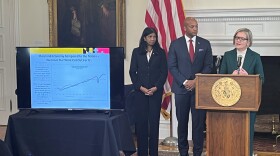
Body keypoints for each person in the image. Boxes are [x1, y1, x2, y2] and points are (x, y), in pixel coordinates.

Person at [168, 17, 213, 156]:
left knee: (198, 125)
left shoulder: (205, 44)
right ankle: (183, 152)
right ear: (185, 28)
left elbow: (209, 66)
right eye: (192, 26)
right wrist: (185, 81)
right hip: (181, 90)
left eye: (196, 26)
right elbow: (172, 66)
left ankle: (197, 152)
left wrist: (195, 81)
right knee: (182, 123)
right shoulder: (175, 44)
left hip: (199, 90)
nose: (195, 29)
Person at [219, 28, 264, 156]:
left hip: (248, 102)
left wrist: (249, 77)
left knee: (247, 133)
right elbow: (220, 79)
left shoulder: (255, 57)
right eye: (236, 37)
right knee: (230, 133)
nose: (238, 40)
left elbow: (262, 79)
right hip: (229, 102)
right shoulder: (228, 55)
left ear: (248, 42)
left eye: (241, 38)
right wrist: (230, 76)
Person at [129, 27, 168, 156]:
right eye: (150, 37)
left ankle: (153, 153)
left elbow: (164, 73)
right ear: (144, 38)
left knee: (154, 124)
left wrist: (156, 87)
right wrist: (140, 87)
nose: (152, 39)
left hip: (155, 93)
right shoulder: (137, 52)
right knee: (141, 124)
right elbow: (132, 72)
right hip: (141, 93)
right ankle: (142, 153)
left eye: (154, 37)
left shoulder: (160, 52)